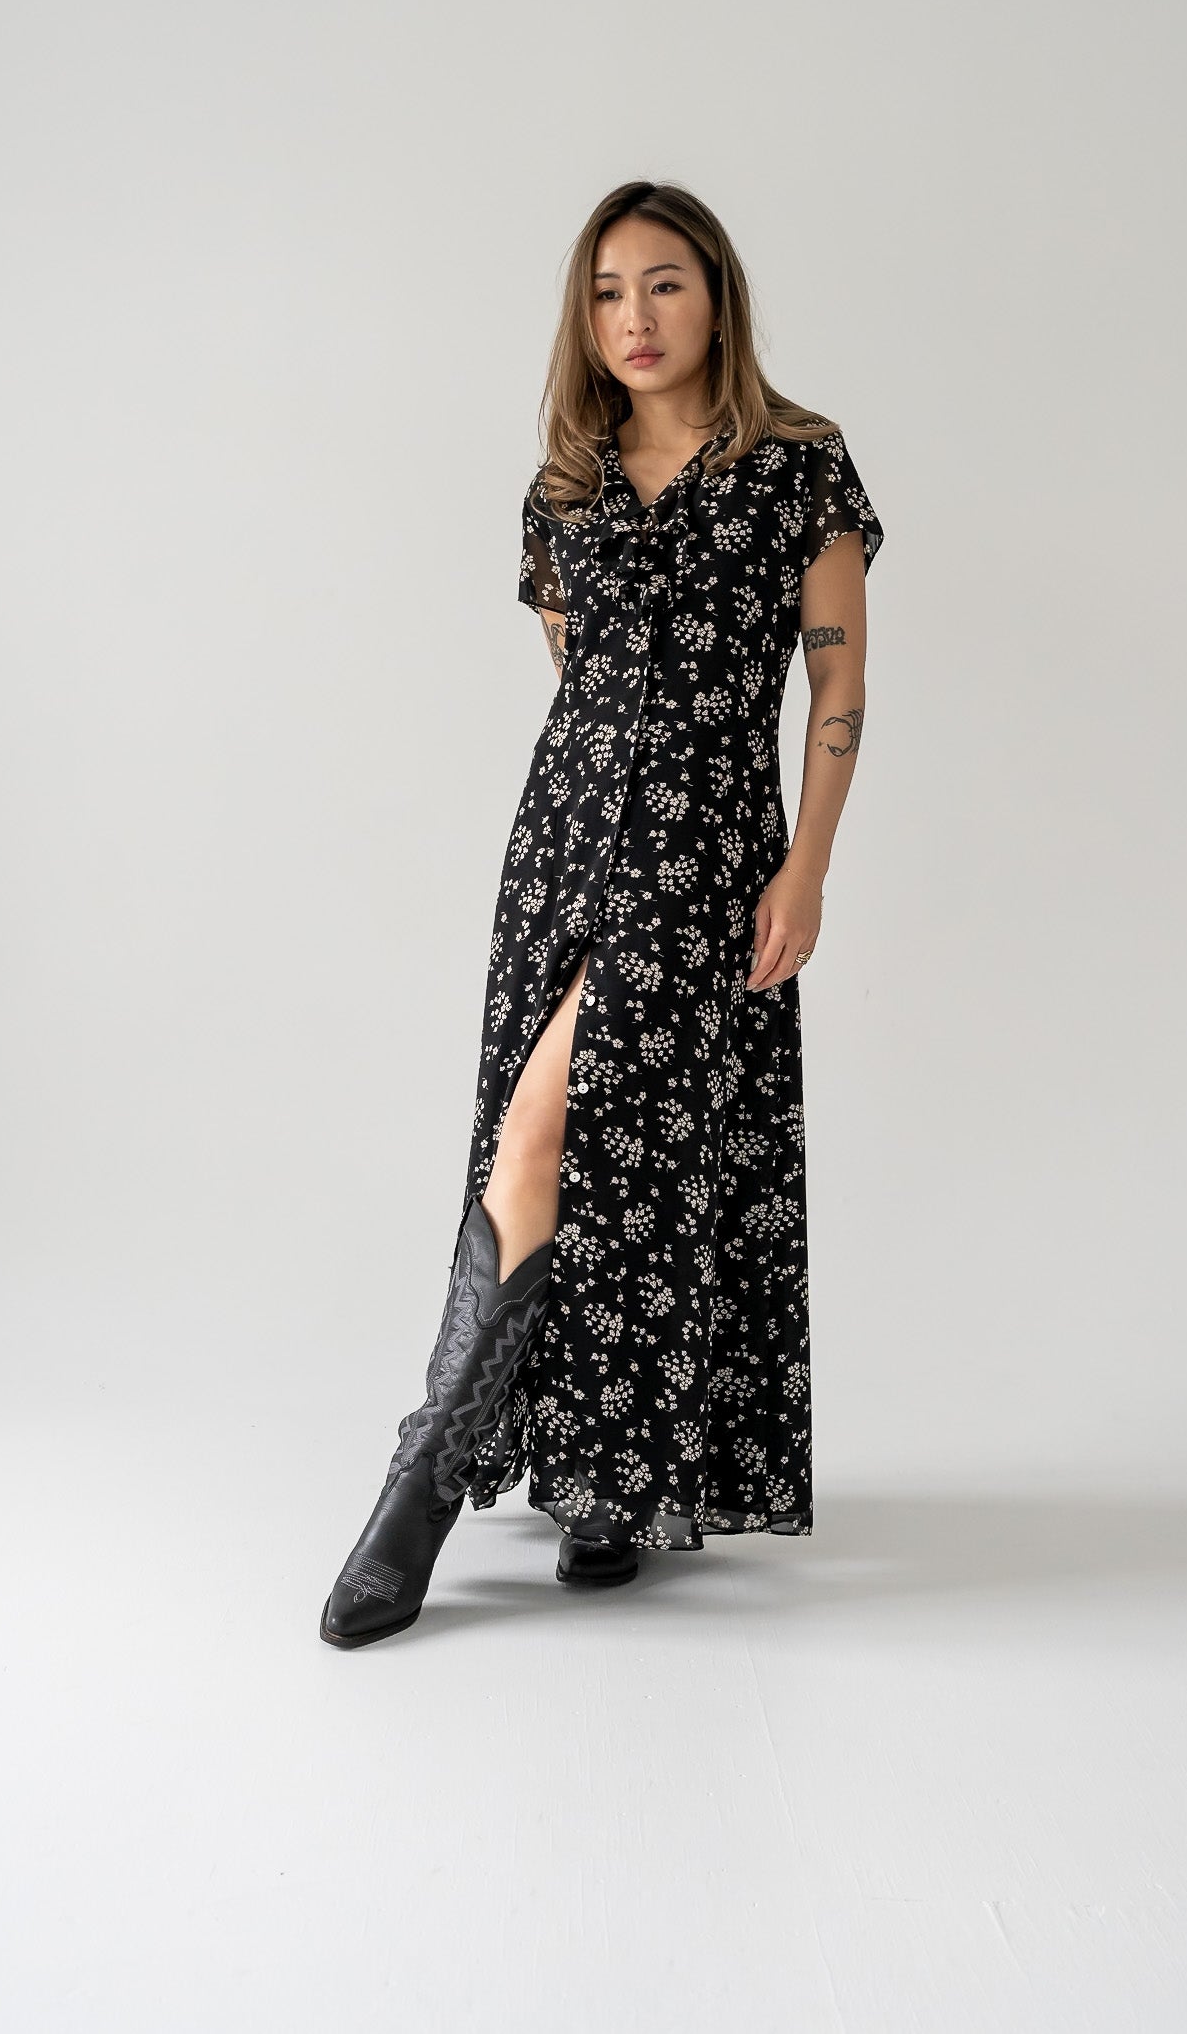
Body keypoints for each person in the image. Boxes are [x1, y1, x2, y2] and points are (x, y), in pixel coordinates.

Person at [320, 179, 884, 1648]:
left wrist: (804, 867)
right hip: (560, 846)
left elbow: (836, 687)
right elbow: (579, 679)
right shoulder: (562, 488)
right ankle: (608, 1485)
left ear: (719, 297)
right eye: (607, 291)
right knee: (599, 1150)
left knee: (558, 1133)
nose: (634, 318)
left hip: (703, 855)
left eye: (666, 285)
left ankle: (413, 1496)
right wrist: (594, 815)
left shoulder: (798, 470)